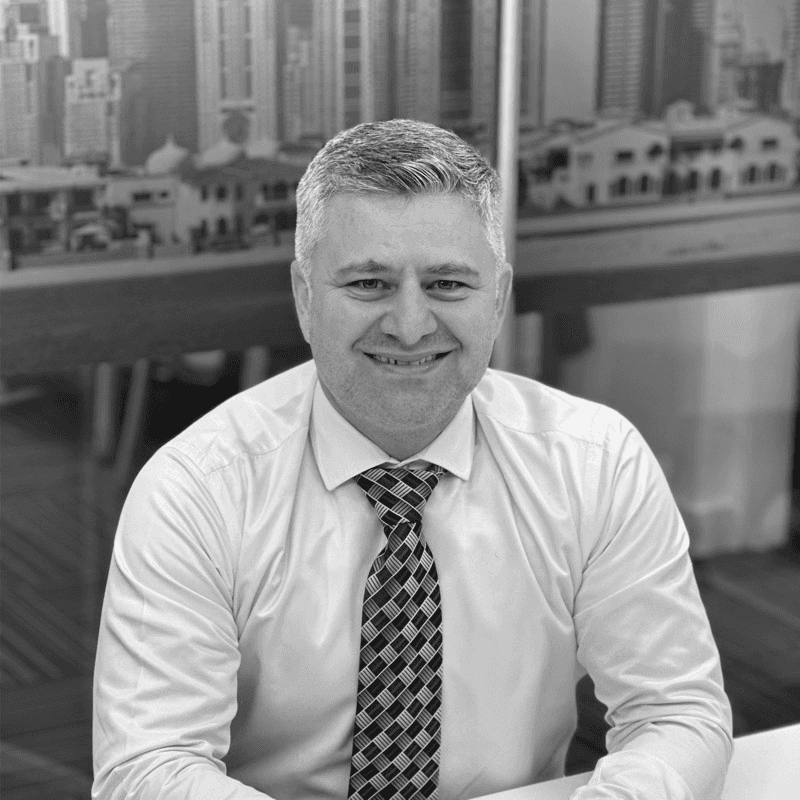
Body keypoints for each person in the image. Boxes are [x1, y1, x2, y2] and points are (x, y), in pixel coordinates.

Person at [92, 119, 733, 800]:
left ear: (499, 297)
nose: (409, 323)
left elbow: (676, 713)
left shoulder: (595, 462)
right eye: (368, 283)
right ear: (306, 298)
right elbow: (148, 766)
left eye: (448, 284)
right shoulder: (196, 489)